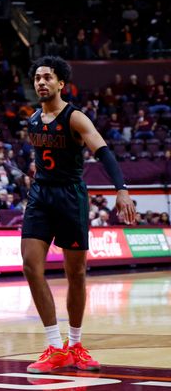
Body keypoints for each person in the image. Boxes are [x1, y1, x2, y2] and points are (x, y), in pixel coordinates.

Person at [22, 56, 136, 374]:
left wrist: (122, 189)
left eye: (48, 77)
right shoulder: (32, 120)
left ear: (61, 84)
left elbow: (103, 152)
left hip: (71, 197)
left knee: (77, 274)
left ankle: (75, 344)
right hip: (40, 196)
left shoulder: (76, 118)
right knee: (31, 266)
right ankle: (54, 347)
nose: (41, 82)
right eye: (37, 78)